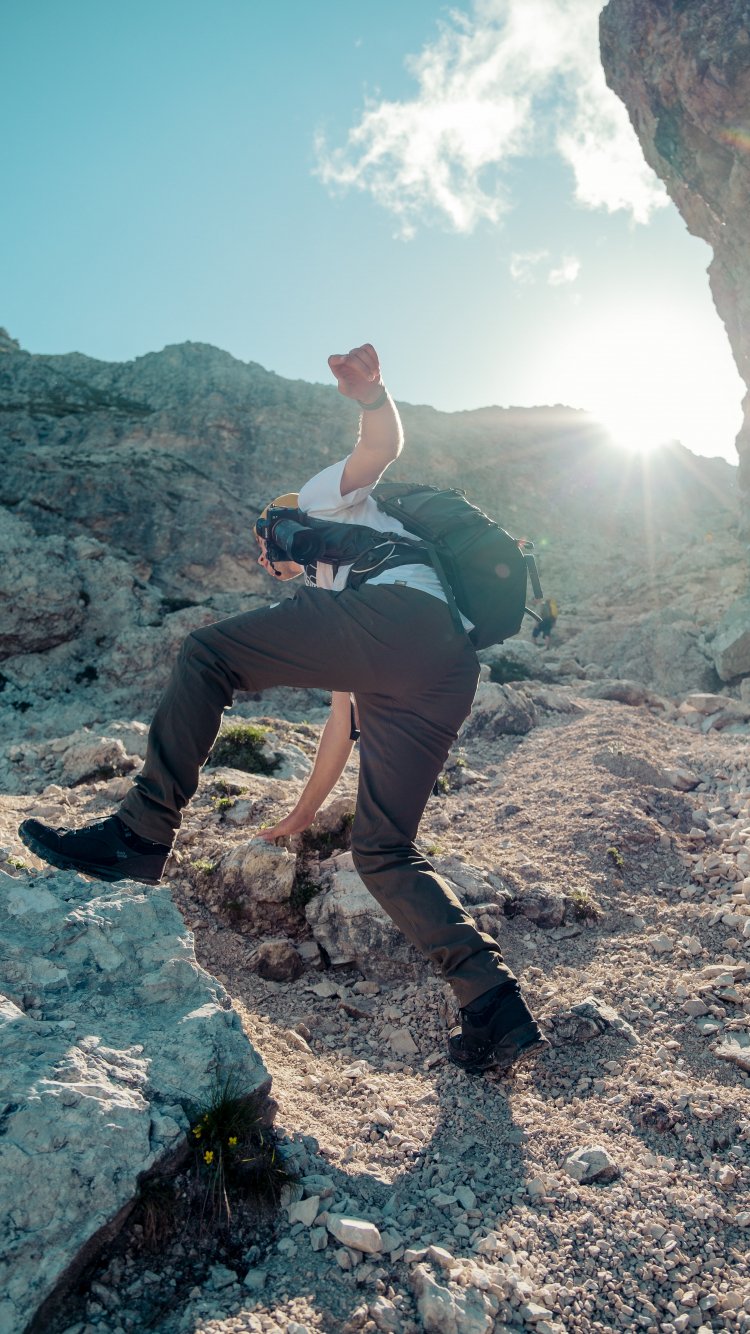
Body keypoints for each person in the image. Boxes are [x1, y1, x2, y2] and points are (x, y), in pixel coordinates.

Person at [19, 343, 546, 1076]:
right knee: (383, 851)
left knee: (207, 654)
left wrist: (371, 395)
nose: (267, 561)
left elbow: (380, 447)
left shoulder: (325, 499)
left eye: (264, 545)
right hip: (445, 666)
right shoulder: (344, 591)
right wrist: (302, 814)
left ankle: (137, 836)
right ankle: (494, 1004)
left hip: (402, 625)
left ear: (281, 522)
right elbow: (340, 722)